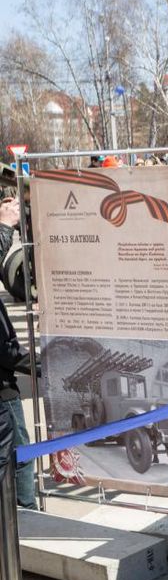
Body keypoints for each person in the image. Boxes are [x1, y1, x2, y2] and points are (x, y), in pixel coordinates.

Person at [0, 197, 35, 508]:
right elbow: (6, 352)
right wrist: (41, 365)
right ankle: (27, 514)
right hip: (3, 390)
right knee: (21, 453)